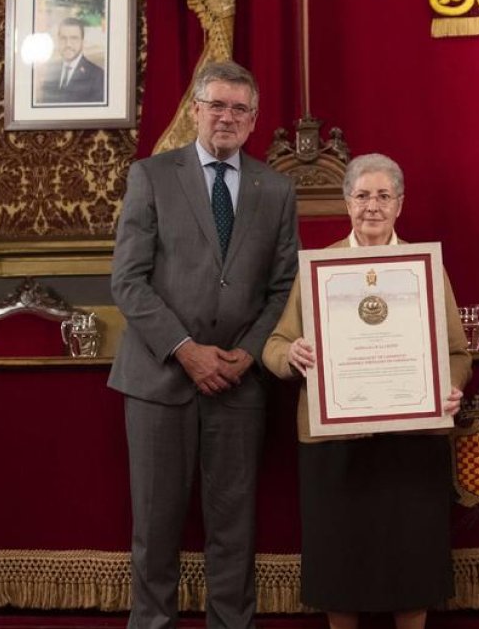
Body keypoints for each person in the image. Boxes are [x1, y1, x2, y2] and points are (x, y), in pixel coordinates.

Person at [109, 60, 299, 629]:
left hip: (239, 385)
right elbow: (127, 280)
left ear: (254, 119)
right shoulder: (151, 176)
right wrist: (185, 349)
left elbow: (284, 285)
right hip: (158, 381)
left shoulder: (276, 188)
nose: (227, 117)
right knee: (156, 529)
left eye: (240, 108)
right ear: (195, 110)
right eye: (216, 105)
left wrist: (247, 353)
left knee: (234, 531)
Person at [261, 153, 472, 629]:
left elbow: (458, 355)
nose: (372, 206)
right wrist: (292, 354)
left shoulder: (425, 269)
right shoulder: (318, 270)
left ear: (400, 204)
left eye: (382, 196)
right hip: (334, 443)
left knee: (412, 567)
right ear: (346, 203)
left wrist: (451, 387)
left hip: (411, 441)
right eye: (362, 195)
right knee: (341, 567)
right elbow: (273, 347)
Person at [37, 17, 106, 104]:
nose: (68, 44)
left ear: (83, 42)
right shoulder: (51, 70)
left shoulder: (97, 75)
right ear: (58, 40)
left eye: (74, 38)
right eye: (63, 38)